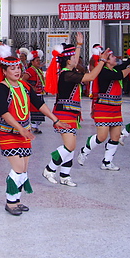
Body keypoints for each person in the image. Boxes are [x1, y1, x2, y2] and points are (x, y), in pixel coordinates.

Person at [0, 44, 67, 215]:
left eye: (18, 67)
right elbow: (4, 112)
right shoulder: (2, 88)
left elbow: (39, 103)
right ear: (4, 71)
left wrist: (55, 120)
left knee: (24, 168)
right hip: (8, 132)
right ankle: (10, 202)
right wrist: (21, 129)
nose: (17, 71)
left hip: (24, 132)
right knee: (18, 167)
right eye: (12, 68)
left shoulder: (25, 86)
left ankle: (17, 200)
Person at [42, 34, 109, 186]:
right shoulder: (67, 75)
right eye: (74, 57)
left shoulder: (68, 72)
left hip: (71, 114)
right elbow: (91, 76)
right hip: (64, 114)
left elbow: (78, 65)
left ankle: (65, 176)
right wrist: (102, 61)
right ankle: (49, 168)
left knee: (71, 147)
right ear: (68, 60)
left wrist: (79, 45)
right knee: (70, 146)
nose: (76, 59)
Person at [76, 46, 130, 171]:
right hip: (103, 108)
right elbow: (120, 75)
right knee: (102, 137)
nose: (116, 58)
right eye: (113, 57)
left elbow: (127, 63)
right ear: (107, 61)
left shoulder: (114, 69)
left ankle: (107, 161)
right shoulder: (104, 72)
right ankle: (84, 151)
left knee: (115, 137)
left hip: (115, 108)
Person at [22, 49, 46, 134]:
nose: (39, 62)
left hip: (39, 94)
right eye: (37, 61)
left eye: (39, 60)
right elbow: (23, 80)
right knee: (35, 110)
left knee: (40, 111)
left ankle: (35, 126)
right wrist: (31, 87)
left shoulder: (38, 70)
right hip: (34, 94)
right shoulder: (30, 70)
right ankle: (33, 127)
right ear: (32, 62)